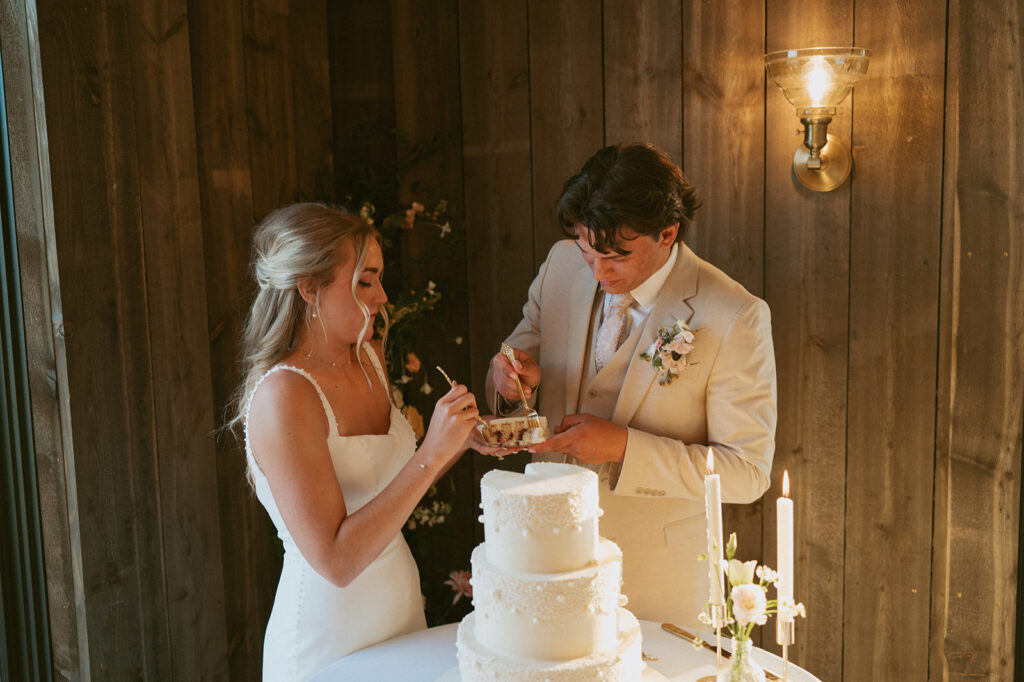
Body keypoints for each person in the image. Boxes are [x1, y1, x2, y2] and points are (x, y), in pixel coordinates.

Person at [486, 143, 777, 628]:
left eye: (616, 256)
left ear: (667, 232)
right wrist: (510, 383)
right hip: (545, 562)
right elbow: (515, 361)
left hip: (657, 584)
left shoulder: (734, 316)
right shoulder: (561, 266)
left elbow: (746, 471)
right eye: (587, 251)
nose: (598, 273)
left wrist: (624, 447)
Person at [226, 203, 481, 681]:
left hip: (401, 613)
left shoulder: (368, 359)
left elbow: (391, 486)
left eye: (379, 279)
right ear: (309, 288)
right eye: (365, 281)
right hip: (328, 636)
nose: (383, 296)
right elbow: (337, 562)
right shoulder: (285, 394)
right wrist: (432, 454)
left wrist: (461, 443)